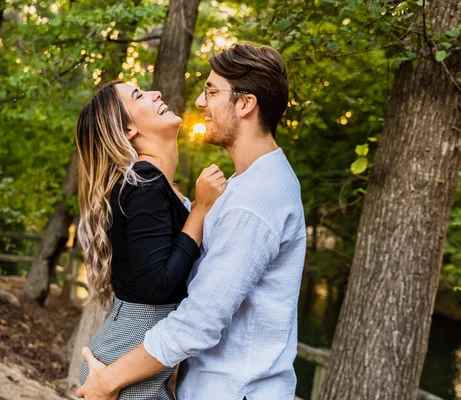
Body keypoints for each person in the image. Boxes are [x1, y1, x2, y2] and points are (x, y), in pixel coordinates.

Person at [77, 43, 306, 400]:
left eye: (212, 92)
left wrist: (108, 381)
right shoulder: (243, 186)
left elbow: (198, 321)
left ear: (245, 104)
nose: (201, 103)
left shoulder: (255, 201)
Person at [75, 81, 225, 399]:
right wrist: (200, 209)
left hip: (131, 350)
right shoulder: (144, 183)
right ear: (128, 128)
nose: (157, 94)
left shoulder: (152, 183)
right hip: (127, 360)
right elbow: (155, 286)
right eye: (139, 96)